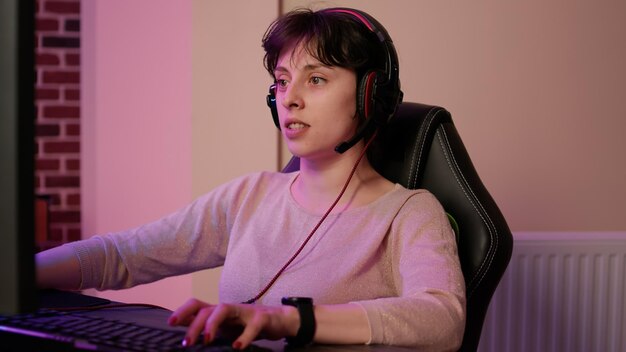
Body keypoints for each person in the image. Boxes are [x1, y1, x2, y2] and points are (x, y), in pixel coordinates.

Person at [36, 7, 466, 351]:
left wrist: (290, 319)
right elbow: (123, 255)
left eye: (316, 79)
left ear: (368, 95)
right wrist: (18, 273)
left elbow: (443, 319)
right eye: (281, 81)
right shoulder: (251, 195)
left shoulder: (410, 212)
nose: (290, 99)